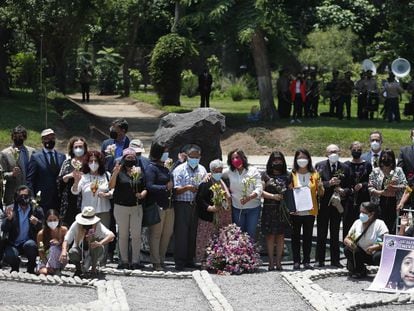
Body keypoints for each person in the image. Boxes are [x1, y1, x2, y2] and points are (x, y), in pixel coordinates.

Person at [109, 148, 147, 269]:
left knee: (136, 234)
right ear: (123, 159)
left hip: (136, 206)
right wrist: (115, 172)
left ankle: (136, 261)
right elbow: (111, 186)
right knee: (123, 234)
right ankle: (124, 261)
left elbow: (145, 187)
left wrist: (142, 194)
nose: (130, 160)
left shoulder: (139, 171)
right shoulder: (119, 171)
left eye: (132, 158)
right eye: (128, 158)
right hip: (121, 206)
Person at [315, 144, 351, 268]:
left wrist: (343, 191)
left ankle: (335, 260)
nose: (333, 153)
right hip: (323, 205)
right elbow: (316, 184)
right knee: (321, 232)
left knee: (335, 233)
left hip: (337, 205)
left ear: (339, 152)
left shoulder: (345, 168)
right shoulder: (319, 166)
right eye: (331, 152)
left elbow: (349, 187)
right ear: (326, 154)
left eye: (335, 151)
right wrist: (328, 183)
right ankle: (319, 260)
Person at [172, 144, 207, 270]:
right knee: (181, 233)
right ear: (187, 156)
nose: (194, 159)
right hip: (182, 204)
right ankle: (179, 261)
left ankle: (189, 259)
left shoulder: (202, 169)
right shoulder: (179, 170)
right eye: (192, 157)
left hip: (196, 205)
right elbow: (175, 190)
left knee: (193, 233)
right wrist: (187, 187)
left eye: (197, 157)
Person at [290, 148, 324, 270]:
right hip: (296, 211)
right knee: (295, 237)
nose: (302, 160)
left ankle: (307, 261)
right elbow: (289, 192)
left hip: (310, 210)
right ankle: (296, 261)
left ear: (309, 159)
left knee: (308, 237)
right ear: (295, 160)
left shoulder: (315, 174)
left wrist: (320, 187)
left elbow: (320, 194)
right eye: (299, 158)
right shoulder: (292, 174)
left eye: (304, 157)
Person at [195, 159, 231, 266]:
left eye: (221, 170)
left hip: (221, 217)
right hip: (208, 217)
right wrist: (209, 207)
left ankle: (216, 261)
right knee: (205, 239)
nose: (219, 172)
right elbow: (200, 199)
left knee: (218, 239)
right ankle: (203, 261)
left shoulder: (222, 182)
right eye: (217, 170)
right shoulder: (206, 182)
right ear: (212, 171)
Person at [145, 142, 174, 271]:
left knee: (167, 233)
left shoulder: (165, 168)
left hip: (169, 205)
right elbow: (149, 186)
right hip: (157, 205)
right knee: (156, 234)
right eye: (164, 152)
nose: (167, 154)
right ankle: (155, 261)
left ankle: (162, 259)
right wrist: (164, 187)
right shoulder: (152, 168)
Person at [61, 206, 115, 277]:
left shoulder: (98, 225)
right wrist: (64, 251)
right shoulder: (76, 224)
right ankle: (78, 269)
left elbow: (111, 235)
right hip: (79, 250)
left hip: (93, 251)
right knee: (72, 252)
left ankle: (93, 269)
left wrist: (99, 243)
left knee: (97, 247)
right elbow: (67, 239)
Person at [1, 185, 44, 273]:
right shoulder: (11, 209)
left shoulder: (36, 209)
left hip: (28, 241)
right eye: (21, 196)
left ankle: (31, 266)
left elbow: (43, 227)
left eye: (26, 196)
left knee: (31, 245)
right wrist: (8, 220)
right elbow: (4, 228)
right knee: (9, 254)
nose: (23, 198)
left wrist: (37, 223)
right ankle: (15, 267)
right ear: (17, 197)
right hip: (13, 242)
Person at [223, 148, 262, 240]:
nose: (235, 160)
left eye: (237, 157)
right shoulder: (229, 171)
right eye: (232, 159)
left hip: (253, 208)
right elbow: (217, 174)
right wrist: (209, 174)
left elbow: (259, 188)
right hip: (237, 207)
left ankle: (250, 253)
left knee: (250, 234)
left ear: (243, 158)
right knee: (238, 234)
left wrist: (250, 197)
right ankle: (240, 254)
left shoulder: (253, 170)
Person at [261, 151, 290, 271]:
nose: (277, 162)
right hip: (269, 208)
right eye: (275, 160)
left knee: (281, 236)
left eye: (279, 160)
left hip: (282, 210)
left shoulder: (288, 175)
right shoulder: (265, 175)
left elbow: (291, 191)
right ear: (270, 161)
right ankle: (270, 262)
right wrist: (273, 196)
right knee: (270, 236)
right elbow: (261, 191)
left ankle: (279, 262)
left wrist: (285, 195)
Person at [343, 202, 388, 278]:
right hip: (361, 253)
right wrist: (350, 243)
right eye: (360, 212)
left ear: (372, 214)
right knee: (347, 249)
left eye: (364, 212)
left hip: (374, 253)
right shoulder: (357, 223)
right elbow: (347, 238)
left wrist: (374, 248)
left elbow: (385, 242)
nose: (361, 214)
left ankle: (384, 274)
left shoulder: (379, 224)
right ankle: (360, 270)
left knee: (377, 256)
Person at [26, 128, 66, 213]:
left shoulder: (62, 156)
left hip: (58, 199)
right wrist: (32, 198)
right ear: (42, 140)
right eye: (47, 138)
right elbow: (29, 180)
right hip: (42, 200)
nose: (50, 140)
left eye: (52, 138)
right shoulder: (35, 157)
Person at [368, 149, 407, 234]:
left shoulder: (398, 170)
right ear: (381, 158)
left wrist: (394, 186)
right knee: (379, 228)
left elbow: (405, 185)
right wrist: (381, 192)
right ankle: (378, 247)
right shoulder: (376, 171)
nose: (386, 159)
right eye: (384, 157)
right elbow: (370, 187)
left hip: (393, 204)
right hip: (379, 204)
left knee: (391, 228)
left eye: (389, 157)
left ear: (392, 159)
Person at [71, 151, 112, 229]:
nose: (93, 163)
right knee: (88, 236)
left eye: (96, 161)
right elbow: (75, 191)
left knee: (103, 237)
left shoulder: (106, 175)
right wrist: (76, 182)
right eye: (91, 161)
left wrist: (108, 194)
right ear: (87, 163)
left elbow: (113, 189)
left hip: (104, 211)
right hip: (87, 212)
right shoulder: (83, 177)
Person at [343, 141, 372, 240]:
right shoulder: (346, 165)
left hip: (363, 198)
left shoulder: (367, 165)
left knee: (362, 222)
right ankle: (347, 245)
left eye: (359, 150)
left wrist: (362, 185)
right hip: (349, 199)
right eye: (354, 150)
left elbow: (371, 181)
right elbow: (344, 182)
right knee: (348, 223)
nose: (356, 151)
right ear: (350, 150)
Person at [0, 125, 35, 206]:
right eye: (15, 136)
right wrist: (12, 174)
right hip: (12, 195)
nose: (18, 138)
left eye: (20, 136)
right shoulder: (5, 153)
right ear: (12, 137)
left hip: (29, 194)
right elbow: (2, 174)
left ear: (25, 137)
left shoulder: (32, 152)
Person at [57, 136, 88, 227]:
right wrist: (68, 176)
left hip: (84, 201)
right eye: (76, 147)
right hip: (68, 201)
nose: (78, 149)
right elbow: (59, 181)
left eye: (81, 147)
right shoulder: (67, 163)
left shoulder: (89, 163)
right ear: (72, 149)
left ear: (85, 148)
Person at [36, 209, 68, 275]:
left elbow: (67, 245)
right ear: (46, 221)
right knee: (44, 272)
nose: (52, 222)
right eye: (50, 220)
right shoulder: (41, 233)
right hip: (46, 258)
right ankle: (46, 268)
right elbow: (41, 251)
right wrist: (47, 264)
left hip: (61, 257)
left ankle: (57, 269)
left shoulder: (64, 230)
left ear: (58, 220)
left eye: (55, 220)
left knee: (54, 247)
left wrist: (59, 243)